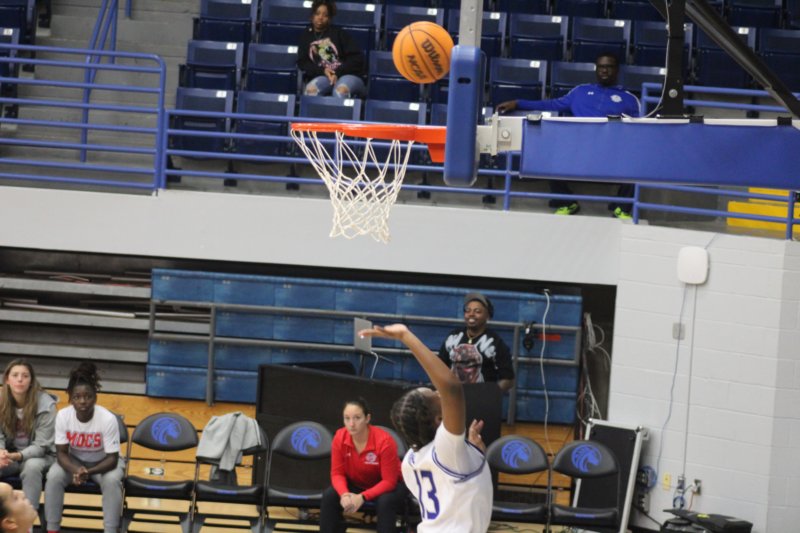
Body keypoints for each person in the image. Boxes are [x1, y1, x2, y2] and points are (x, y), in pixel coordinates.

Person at [359, 323, 492, 533]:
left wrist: (474, 452)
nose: (439, 393)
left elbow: (454, 491)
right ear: (439, 420)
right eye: (434, 394)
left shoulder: (411, 461)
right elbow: (451, 388)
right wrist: (405, 336)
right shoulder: (446, 449)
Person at [497, 52, 641, 219]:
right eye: (601, 67)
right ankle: (566, 202)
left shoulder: (629, 99)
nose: (604, 70)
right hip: (578, 151)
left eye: (609, 67)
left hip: (610, 153)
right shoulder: (580, 91)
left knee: (635, 161)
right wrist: (518, 103)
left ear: (617, 70)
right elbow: (552, 104)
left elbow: (640, 129)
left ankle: (622, 208)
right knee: (550, 157)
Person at [44, 362, 125, 533]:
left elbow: (112, 459)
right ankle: (52, 529)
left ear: (95, 397)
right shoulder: (63, 416)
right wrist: (76, 469)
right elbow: (61, 454)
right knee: (54, 476)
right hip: (75, 461)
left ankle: (111, 530)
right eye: (77, 397)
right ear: (70, 398)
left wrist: (87, 472)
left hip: (104, 463)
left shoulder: (107, 419)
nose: (82, 401)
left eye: (87, 396)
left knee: (112, 481)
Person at [320, 398, 404, 533]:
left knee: (386, 502)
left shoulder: (385, 441)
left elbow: (389, 482)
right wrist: (344, 494)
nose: (351, 424)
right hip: (357, 483)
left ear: (367, 418)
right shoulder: (339, 437)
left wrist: (363, 497)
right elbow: (337, 473)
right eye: (347, 418)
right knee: (329, 496)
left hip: (388, 487)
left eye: (357, 418)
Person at [0, 359, 57, 515]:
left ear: (31, 381)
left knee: (31, 466)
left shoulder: (46, 405)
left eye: (25, 376)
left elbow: (41, 446)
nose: (20, 379)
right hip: (10, 456)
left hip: (43, 457)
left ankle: (27, 520)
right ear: (7, 380)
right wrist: (1, 452)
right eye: (15, 375)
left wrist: (17, 455)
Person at [438, 292, 515, 392]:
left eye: (477, 311)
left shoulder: (496, 343)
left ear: (488, 316)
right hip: (453, 396)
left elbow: (508, 379)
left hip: (481, 399)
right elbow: (438, 366)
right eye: (468, 310)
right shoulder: (453, 337)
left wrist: (490, 394)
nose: (471, 314)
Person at [297, 0, 366, 99]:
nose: (320, 18)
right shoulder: (306, 36)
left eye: (325, 15)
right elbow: (303, 63)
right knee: (310, 91)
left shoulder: (339, 34)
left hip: (347, 75)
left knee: (340, 92)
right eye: (317, 14)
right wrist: (323, 71)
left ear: (329, 18)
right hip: (323, 76)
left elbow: (357, 59)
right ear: (312, 16)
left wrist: (337, 73)